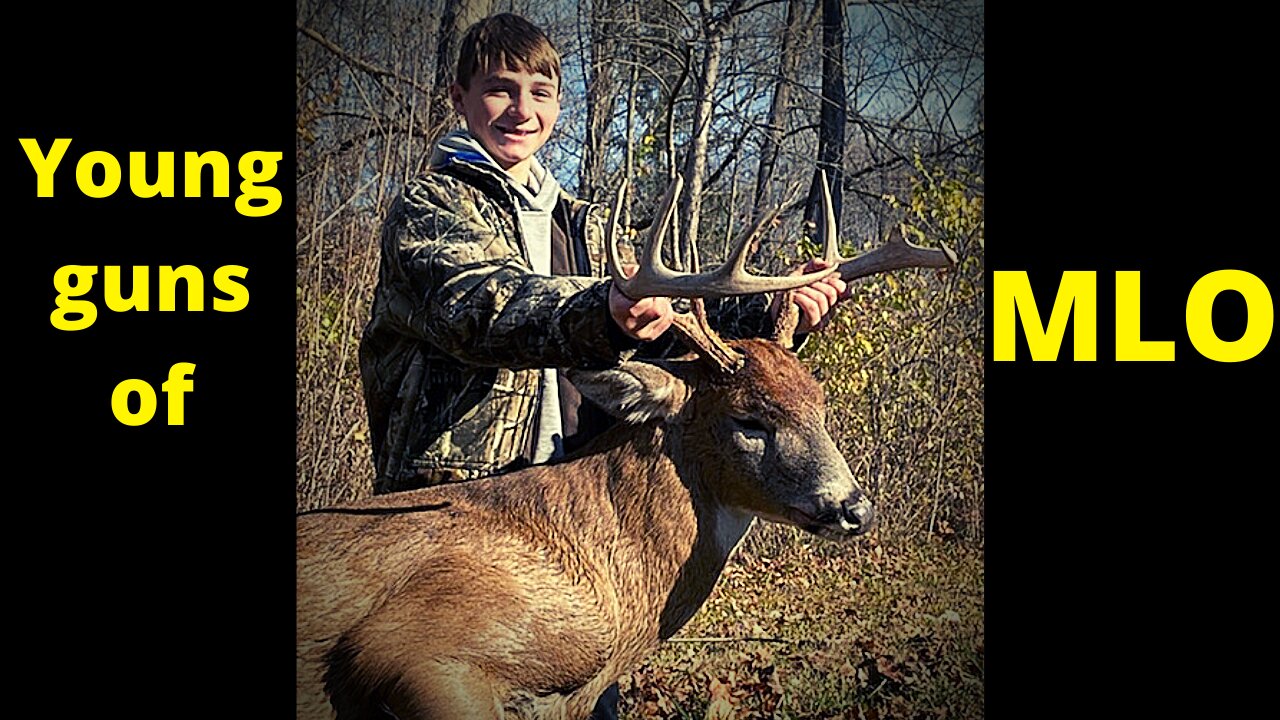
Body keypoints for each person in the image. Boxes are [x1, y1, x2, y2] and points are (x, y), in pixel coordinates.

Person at [357, 12, 846, 718]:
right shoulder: (432, 207)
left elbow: (673, 328)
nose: (521, 110)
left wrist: (777, 307)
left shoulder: (583, 223)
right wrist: (602, 309)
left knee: (587, 694)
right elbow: (482, 308)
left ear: (559, 105)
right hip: (462, 510)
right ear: (458, 97)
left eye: (540, 92)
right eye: (498, 89)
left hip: (574, 517)